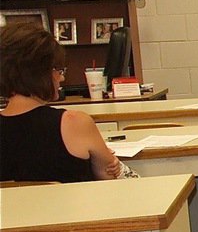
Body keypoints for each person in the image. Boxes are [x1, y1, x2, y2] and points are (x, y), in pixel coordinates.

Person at [0, 23, 122, 182]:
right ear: (40, 72)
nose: (62, 77)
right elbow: (108, 176)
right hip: (76, 207)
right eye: (58, 70)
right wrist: (116, 165)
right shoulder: (75, 123)